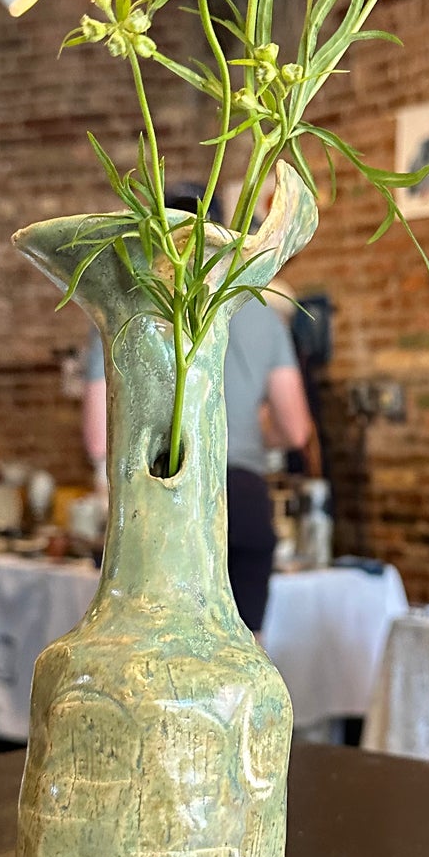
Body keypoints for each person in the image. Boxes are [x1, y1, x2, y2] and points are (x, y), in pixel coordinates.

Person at [82, 188, 312, 632]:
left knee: (153, 661)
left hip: (157, 502)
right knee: (245, 660)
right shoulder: (262, 311)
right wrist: (247, 431)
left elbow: (98, 437)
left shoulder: (122, 310)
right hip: (241, 498)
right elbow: (296, 430)